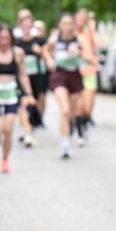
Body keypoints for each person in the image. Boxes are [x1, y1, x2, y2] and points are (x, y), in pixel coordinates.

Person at [0, 26, 36, 173]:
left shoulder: (18, 53)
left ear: (11, 38)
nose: (4, 41)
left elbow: (23, 75)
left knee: (8, 129)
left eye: (7, 38)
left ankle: (5, 159)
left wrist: (29, 94)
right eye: (1, 38)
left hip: (11, 93)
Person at [45, 14, 93, 159]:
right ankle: (65, 145)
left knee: (72, 113)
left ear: (73, 25)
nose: (67, 26)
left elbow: (90, 58)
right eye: (64, 23)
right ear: (60, 25)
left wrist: (79, 53)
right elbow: (45, 50)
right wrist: (49, 60)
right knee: (65, 111)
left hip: (75, 76)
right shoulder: (55, 38)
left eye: (69, 23)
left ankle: (71, 130)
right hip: (59, 75)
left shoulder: (80, 39)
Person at [14, 9, 47, 148]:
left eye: (28, 20)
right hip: (22, 77)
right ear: (19, 22)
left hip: (38, 76)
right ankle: (27, 133)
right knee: (24, 102)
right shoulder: (16, 41)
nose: (26, 23)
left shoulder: (39, 40)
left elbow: (48, 56)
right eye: (23, 20)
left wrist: (41, 52)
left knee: (36, 103)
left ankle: (32, 126)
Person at [75, 9, 102, 138]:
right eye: (79, 19)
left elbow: (99, 44)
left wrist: (92, 29)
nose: (80, 22)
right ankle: (79, 130)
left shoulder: (88, 32)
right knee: (79, 105)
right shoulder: (72, 33)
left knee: (88, 106)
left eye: (83, 19)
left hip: (89, 71)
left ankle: (84, 121)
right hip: (76, 72)